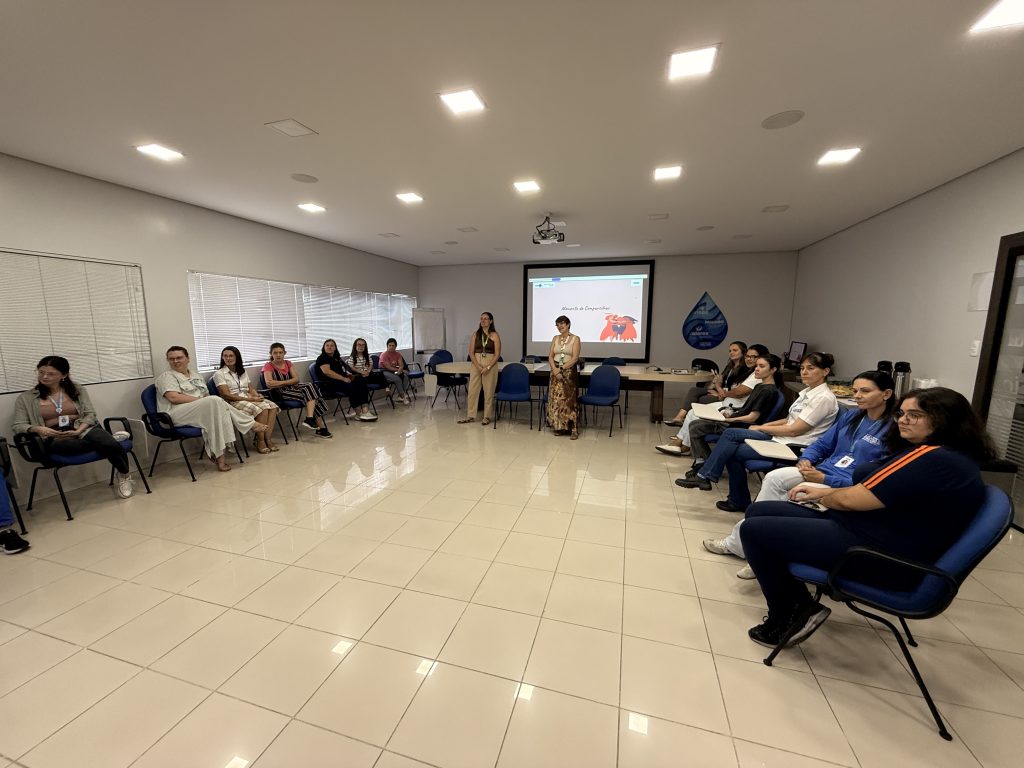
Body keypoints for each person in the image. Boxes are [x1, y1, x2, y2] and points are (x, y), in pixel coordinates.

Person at [739, 387, 994, 649]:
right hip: (880, 531)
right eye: (901, 413)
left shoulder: (932, 458)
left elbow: (850, 500)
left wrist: (826, 497)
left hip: (881, 554)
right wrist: (826, 493)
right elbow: (875, 493)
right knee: (760, 511)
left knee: (755, 531)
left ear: (946, 419)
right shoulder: (945, 455)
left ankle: (792, 612)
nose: (903, 420)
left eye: (915, 415)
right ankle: (791, 592)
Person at [703, 370, 896, 579]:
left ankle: (753, 551)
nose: (857, 396)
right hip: (821, 469)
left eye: (865, 391)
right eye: (855, 391)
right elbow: (823, 443)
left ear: (886, 394)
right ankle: (745, 544)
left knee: (793, 495)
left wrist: (825, 479)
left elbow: (871, 481)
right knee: (774, 478)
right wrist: (807, 459)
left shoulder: (893, 430)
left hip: (843, 484)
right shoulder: (852, 416)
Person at [675, 352, 840, 511]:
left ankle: (708, 479)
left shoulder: (823, 398)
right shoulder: (806, 393)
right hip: (781, 438)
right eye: (802, 368)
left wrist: (761, 427)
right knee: (730, 448)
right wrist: (766, 426)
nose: (804, 372)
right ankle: (730, 494)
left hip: (794, 446)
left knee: (731, 439)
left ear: (825, 371)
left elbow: (794, 430)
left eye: (810, 368)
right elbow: (789, 420)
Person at [12, 355, 137, 498]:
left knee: (105, 442)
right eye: (41, 372)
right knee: (91, 445)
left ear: (64, 375)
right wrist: (38, 429)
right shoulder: (26, 398)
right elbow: (18, 425)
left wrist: (78, 430)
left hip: (83, 428)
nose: (44, 376)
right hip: (54, 435)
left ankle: (124, 475)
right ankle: (110, 440)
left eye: (51, 374)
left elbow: (90, 414)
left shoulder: (77, 390)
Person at [156, 346, 268, 471]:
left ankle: (220, 460)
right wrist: (203, 401)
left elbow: (206, 395)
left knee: (217, 414)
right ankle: (249, 423)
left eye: (179, 358)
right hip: (175, 414)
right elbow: (174, 398)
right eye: (171, 359)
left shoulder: (195, 375)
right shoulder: (167, 376)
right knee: (214, 401)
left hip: (199, 410)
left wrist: (206, 402)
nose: (175, 361)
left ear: (187, 358)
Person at [657, 344, 768, 456]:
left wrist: (724, 393)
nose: (749, 359)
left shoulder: (755, 375)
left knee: (694, 413)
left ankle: (680, 445)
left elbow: (739, 392)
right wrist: (724, 391)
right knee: (692, 410)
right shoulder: (748, 371)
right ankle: (682, 445)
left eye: (753, 357)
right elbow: (725, 383)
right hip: (727, 402)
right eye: (747, 356)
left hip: (732, 407)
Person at [671, 354, 784, 460]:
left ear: (773, 370)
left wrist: (727, 419)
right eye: (757, 366)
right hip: (736, 420)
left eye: (761, 366)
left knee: (695, 426)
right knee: (695, 423)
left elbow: (752, 418)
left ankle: (704, 461)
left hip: (740, 425)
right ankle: (703, 461)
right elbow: (745, 409)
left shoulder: (767, 391)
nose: (756, 369)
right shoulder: (760, 385)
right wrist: (729, 413)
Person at [664, 340, 750, 426]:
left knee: (702, 399)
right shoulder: (730, 366)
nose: (731, 353)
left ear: (743, 352)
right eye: (730, 351)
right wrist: (719, 390)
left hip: (729, 397)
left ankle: (690, 422)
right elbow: (719, 380)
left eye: (735, 350)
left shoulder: (745, 369)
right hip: (721, 392)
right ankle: (679, 418)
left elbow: (737, 390)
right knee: (694, 390)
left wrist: (722, 394)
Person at [213, 346, 281, 453]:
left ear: (237, 357)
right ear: (222, 358)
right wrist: (252, 400)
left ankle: (268, 439)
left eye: (231, 356)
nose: (228, 358)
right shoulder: (219, 374)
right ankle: (260, 441)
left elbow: (251, 388)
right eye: (225, 356)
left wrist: (257, 396)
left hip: (248, 398)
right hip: (233, 401)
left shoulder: (242, 371)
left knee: (273, 407)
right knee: (262, 408)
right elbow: (226, 395)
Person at [261, 342, 332, 438]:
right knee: (314, 396)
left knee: (311, 386)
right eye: (275, 353)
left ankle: (310, 418)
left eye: (280, 352)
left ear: (284, 353)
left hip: (293, 388)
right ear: (271, 354)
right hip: (280, 392)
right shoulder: (268, 366)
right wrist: (288, 382)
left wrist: (281, 382)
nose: (278, 355)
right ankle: (319, 427)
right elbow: (269, 383)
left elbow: (297, 379)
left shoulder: (288, 363)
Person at [458, 312, 501, 425]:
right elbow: (471, 352)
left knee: (488, 391)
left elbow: (497, 354)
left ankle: (487, 416)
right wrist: (477, 366)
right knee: (473, 390)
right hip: (476, 363)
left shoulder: (495, 335)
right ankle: (471, 415)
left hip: (490, 364)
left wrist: (488, 367)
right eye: (481, 318)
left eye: (486, 318)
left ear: (491, 321)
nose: (483, 320)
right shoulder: (475, 334)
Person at [317, 339, 375, 421]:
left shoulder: (337, 358)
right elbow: (327, 372)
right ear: (324, 347)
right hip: (329, 384)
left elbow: (344, 369)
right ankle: (359, 413)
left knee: (361, 382)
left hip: (341, 381)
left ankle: (365, 410)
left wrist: (348, 375)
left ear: (335, 348)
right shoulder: (322, 358)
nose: (329, 347)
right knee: (353, 387)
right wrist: (343, 378)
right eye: (327, 345)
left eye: (332, 345)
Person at [547, 315, 581, 439]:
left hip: (568, 372)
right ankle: (560, 427)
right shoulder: (555, 338)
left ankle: (573, 429)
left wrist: (561, 369)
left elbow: (575, 358)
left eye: (562, 323)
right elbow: (550, 356)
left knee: (568, 401)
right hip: (555, 371)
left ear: (568, 324)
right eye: (557, 324)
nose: (560, 326)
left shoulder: (575, 339)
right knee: (556, 400)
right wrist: (555, 370)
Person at [347, 338, 391, 406]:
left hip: (368, 374)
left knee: (380, 374)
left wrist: (368, 371)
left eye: (363, 345)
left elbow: (371, 364)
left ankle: (387, 388)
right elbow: (352, 367)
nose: (361, 346)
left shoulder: (367, 356)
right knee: (362, 384)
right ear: (355, 346)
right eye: (359, 345)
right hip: (359, 376)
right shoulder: (352, 357)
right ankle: (365, 405)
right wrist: (362, 372)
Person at [378, 338, 413, 404]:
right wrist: (400, 370)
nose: (391, 347)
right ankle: (403, 396)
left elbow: (401, 365)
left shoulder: (397, 354)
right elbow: (389, 368)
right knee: (397, 379)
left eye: (393, 345)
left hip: (394, 370)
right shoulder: (384, 355)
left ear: (395, 346)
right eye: (390, 345)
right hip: (384, 371)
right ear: (387, 346)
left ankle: (400, 395)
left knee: (406, 377)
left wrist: (400, 370)